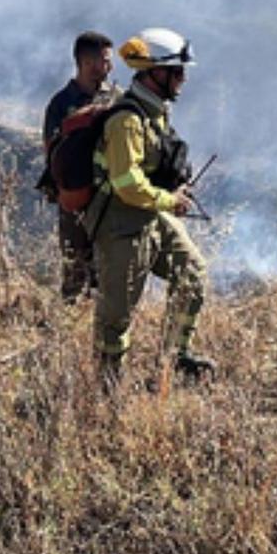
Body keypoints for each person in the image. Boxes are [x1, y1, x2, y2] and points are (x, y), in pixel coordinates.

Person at [84, 27, 215, 385]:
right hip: (120, 224)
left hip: (150, 214)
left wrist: (172, 187)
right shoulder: (127, 119)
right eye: (177, 71)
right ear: (155, 73)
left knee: (192, 273)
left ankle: (174, 360)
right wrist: (169, 200)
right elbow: (127, 184)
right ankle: (107, 387)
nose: (183, 79)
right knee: (116, 317)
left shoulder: (154, 112)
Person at [40, 31, 116, 302]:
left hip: (109, 197)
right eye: (103, 61)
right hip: (75, 197)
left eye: (109, 61)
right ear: (86, 62)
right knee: (75, 268)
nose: (108, 68)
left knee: (108, 270)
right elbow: (52, 153)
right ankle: (70, 324)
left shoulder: (115, 97)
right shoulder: (61, 104)